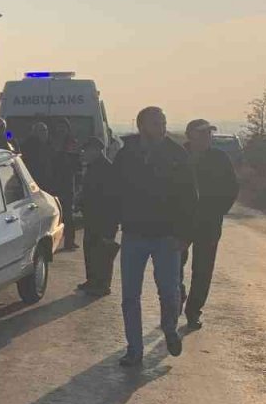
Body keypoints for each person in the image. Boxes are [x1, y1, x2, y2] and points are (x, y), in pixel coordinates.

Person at [113, 107, 197, 367]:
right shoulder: (126, 154)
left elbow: (189, 197)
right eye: (155, 122)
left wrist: (185, 235)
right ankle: (134, 350)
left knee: (170, 292)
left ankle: (169, 329)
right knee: (130, 296)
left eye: (163, 122)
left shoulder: (176, 154)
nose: (160, 126)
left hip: (167, 237)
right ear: (141, 125)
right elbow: (113, 192)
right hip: (134, 235)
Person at [180, 119, 239, 330]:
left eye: (208, 133)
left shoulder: (219, 158)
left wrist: (217, 211)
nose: (207, 137)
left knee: (203, 270)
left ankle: (193, 311)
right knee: (174, 264)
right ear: (190, 135)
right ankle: (177, 294)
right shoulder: (179, 156)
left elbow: (232, 188)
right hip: (181, 223)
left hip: (209, 224)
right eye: (201, 133)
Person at [76, 137, 119, 296]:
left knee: (103, 252)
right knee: (91, 250)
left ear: (95, 150)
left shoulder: (106, 168)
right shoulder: (93, 167)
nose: (83, 154)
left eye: (86, 151)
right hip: (92, 217)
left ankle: (102, 284)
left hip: (104, 218)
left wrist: (112, 223)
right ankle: (92, 280)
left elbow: (112, 197)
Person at [51, 119, 81, 251]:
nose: (61, 130)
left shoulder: (72, 143)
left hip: (67, 183)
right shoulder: (51, 142)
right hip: (53, 184)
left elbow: (77, 162)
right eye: (59, 127)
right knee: (53, 214)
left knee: (68, 215)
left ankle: (69, 241)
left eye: (63, 127)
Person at [20, 121, 54, 191]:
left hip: (49, 180)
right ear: (35, 132)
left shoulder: (51, 144)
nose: (44, 132)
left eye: (45, 130)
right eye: (41, 130)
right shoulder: (29, 145)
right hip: (34, 178)